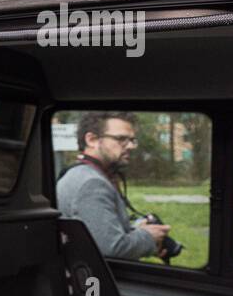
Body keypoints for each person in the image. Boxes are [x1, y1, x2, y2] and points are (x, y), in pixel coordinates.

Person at [57, 111, 170, 260]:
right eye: (121, 139)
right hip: (94, 282)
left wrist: (135, 231)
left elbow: (98, 235)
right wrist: (149, 236)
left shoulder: (81, 173)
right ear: (92, 140)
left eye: (132, 140)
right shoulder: (92, 183)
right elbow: (111, 249)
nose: (130, 146)